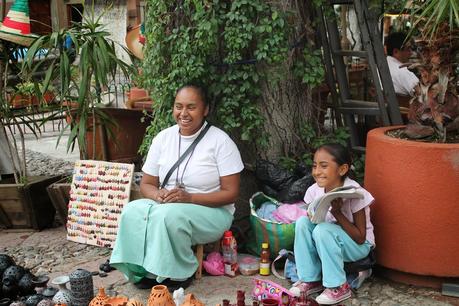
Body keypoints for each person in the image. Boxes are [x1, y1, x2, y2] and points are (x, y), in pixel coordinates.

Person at [110, 84, 244, 291]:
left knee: (168, 216)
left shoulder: (220, 141)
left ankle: (180, 271)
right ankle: (143, 270)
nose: (184, 113)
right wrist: (158, 194)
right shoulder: (163, 138)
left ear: (205, 109)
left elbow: (231, 193)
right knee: (131, 211)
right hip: (168, 205)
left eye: (191, 107)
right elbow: (147, 184)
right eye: (178, 106)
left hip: (212, 213)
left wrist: (189, 198)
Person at [291, 143, 375, 305]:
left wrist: (337, 212)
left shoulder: (355, 193)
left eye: (323, 166)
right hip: (328, 240)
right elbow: (313, 224)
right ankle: (310, 279)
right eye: (314, 166)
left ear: (342, 169)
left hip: (358, 247)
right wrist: (312, 215)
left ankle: (338, 286)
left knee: (323, 230)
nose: (316, 172)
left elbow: (360, 237)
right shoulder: (314, 190)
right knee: (302, 223)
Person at [385, 32, 419, 97]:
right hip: (401, 106)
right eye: (408, 49)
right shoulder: (403, 72)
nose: (411, 53)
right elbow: (422, 96)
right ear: (396, 52)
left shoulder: (381, 67)